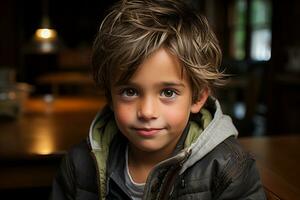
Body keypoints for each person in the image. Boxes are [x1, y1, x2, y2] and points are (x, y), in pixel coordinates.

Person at [50, 0, 266, 199]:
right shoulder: (78, 165)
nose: (147, 111)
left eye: (168, 92)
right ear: (110, 96)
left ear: (198, 97)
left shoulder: (229, 170)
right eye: (130, 92)